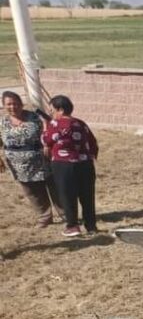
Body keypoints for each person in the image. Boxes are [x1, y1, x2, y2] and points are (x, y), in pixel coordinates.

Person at [0, 90, 61, 228]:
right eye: (8, 104)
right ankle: (44, 217)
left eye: (15, 103)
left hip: (42, 159)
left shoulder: (35, 117)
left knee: (54, 187)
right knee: (32, 192)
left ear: (21, 104)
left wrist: (48, 145)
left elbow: (51, 131)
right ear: (3, 106)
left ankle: (66, 214)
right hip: (18, 165)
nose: (12, 107)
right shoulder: (2, 122)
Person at [42, 95, 99, 238]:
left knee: (67, 195)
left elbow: (46, 140)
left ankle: (72, 226)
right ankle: (91, 226)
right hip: (85, 164)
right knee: (87, 196)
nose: (51, 114)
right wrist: (90, 156)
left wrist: (45, 126)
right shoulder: (80, 123)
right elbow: (93, 142)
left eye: (52, 111)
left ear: (60, 110)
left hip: (64, 165)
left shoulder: (56, 124)